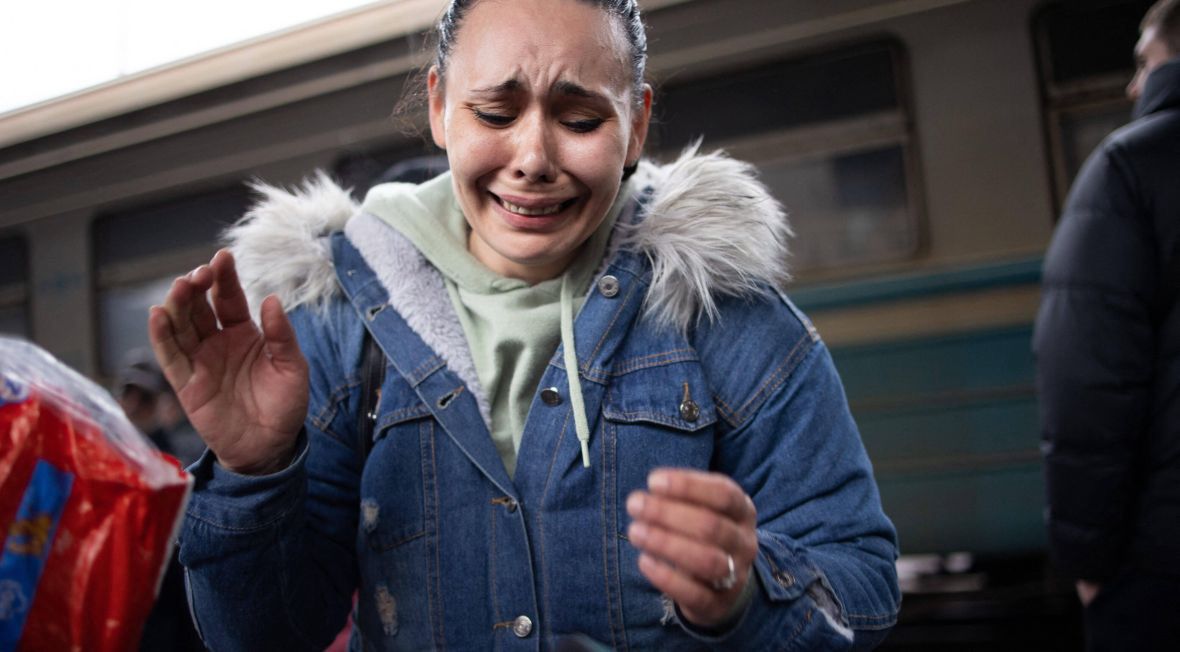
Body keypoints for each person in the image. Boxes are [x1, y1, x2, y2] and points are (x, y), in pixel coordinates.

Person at [148, 0, 900, 649]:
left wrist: (747, 595)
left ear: (635, 124)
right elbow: (265, 634)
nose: (533, 158)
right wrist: (255, 472)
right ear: (440, 107)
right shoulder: (344, 326)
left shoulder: (721, 311)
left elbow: (861, 584)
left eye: (579, 117)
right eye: (496, 113)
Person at [1034, 0, 1180, 649]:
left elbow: (1087, 384)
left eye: (1145, 60)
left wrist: (1087, 561)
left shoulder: (1131, 166)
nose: (1131, 84)